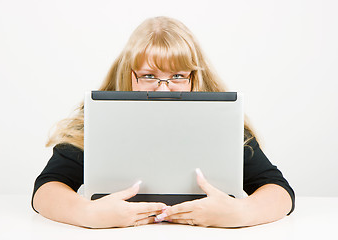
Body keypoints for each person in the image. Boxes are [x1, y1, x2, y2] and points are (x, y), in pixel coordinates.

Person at [32, 16, 295, 228]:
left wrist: (242, 213)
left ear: (194, 78)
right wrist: (86, 214)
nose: (163, 89)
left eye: (178, 75)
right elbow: (46, 188)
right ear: (130, 75)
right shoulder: (98, 118)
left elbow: (279, 191)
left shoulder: (222, 121)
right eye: (149, 75)